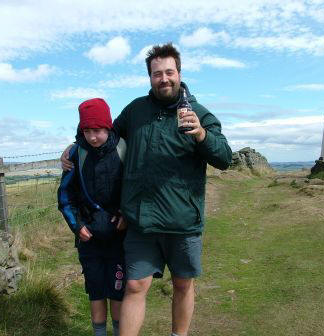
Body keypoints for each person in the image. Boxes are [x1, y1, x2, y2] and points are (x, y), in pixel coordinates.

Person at [62, 43, 232, 336]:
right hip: (141, 220)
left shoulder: (200, 114)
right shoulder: (136, 110)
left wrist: (203, 135)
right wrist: (75, 145)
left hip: (182, 221)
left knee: (182, 284)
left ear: (179, 72)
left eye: (169, 72)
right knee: (134, 284)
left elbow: (224, 158)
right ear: (149, 77)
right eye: (156, 74)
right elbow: (104, 134)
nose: (163, 78)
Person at [58, 98, 127, 336]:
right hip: (89, 240)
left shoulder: (123, 149)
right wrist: (77, 227)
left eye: (97, 131)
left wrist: (126, 215)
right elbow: (65, 195)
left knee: (118, 292)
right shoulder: (77, 154)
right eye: (87, 131)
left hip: (119, 238)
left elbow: (134, 188)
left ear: (108, 127)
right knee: (96, 291)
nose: (93, 137)